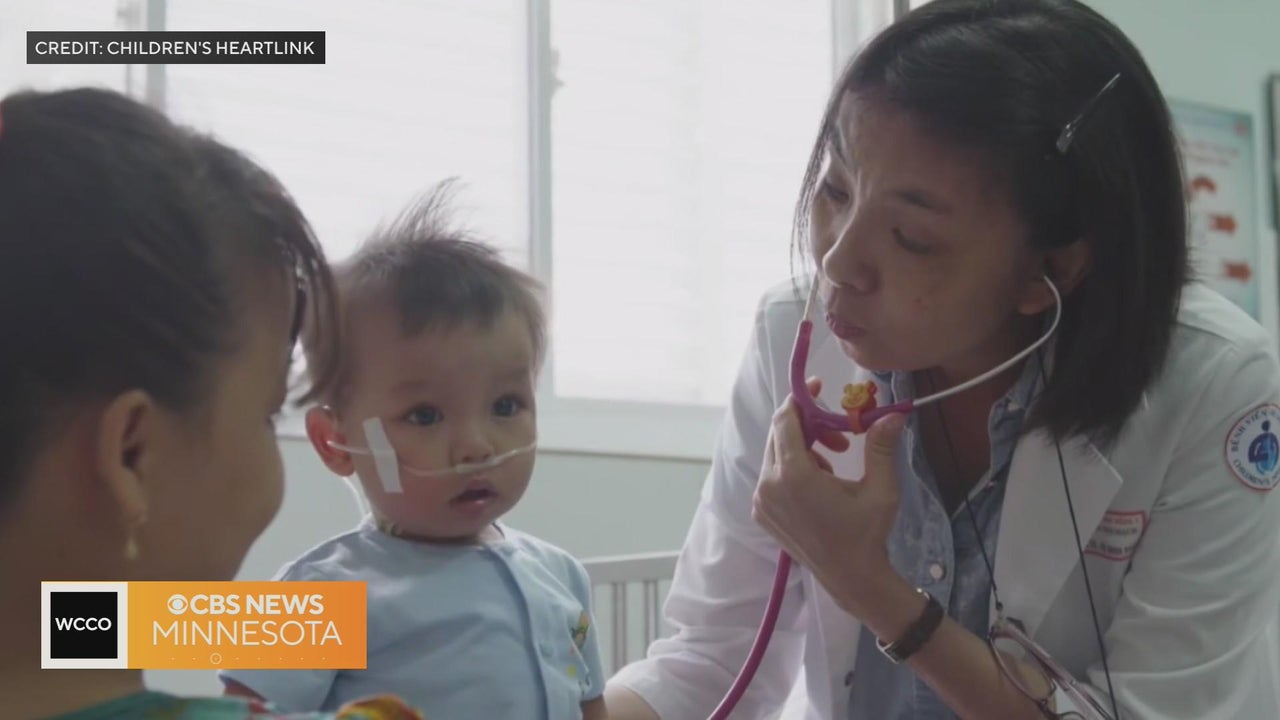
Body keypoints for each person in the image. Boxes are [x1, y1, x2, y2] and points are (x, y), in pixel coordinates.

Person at [604, 0, 1280, 718]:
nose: (838, 263)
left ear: (1048, 271)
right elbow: (711, 655)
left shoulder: (1219, 389)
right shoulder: (790, 332)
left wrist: (872, 589)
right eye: (835, 190)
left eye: (912, 239)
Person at [0, 87, 421, 720]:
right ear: (132, 453)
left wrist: (354, 622)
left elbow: (62, 621)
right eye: (267, 414)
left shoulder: (63, 618)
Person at [218, 186, 608, 720]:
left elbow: (590, 706)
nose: (477, 446)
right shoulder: (322, 595)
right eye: (425, 415)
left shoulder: (561, 575)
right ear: (334, 443)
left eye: (505, 405)